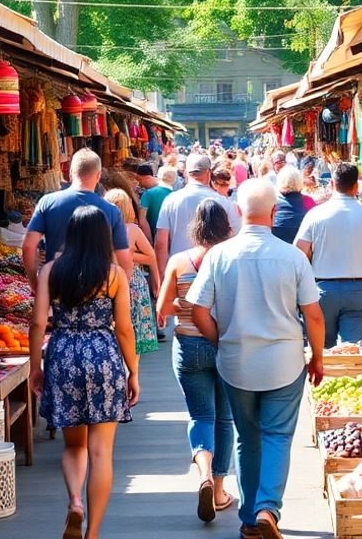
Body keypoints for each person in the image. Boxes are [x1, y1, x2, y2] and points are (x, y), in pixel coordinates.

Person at [188, 179, 326, 539]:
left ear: (237, 210)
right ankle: (268, 508)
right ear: (275, 212)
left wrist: (221, 338)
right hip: (284, 361)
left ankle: (249, 519)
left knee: (246, 438)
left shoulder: (219, 255)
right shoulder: (292, 256)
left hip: (236, 361)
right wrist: (318, 357)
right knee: (278, 436)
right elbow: (313, 314)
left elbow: (197, 310)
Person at [29, 206, 140, 539]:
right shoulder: (113, 274)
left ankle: (75, 501)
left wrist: (36, 366)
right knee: (101, 451)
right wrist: (133, 371)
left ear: (71, 234)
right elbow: (123, 329)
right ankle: (92, 534)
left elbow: (37, 323)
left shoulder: (50, 271)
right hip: (102, 356)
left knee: (73, 446)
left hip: (63, 354)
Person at [155, 199, 237, 523]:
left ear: (196, 227)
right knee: (225, 420)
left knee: (201, 415)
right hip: (226, 346)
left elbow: (163, 307)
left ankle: (203, 473)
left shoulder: (179, 261)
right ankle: (218, 490)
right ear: (226, 227)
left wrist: (184, 304)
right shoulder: (232, 260)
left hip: (188, 346)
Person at [295, 162, 362, 347]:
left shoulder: (315, 215)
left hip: (323, 290)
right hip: (359, 290)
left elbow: (298, 251)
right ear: (356, 186)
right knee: (352, 348)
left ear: (332, 184)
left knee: (321, 348)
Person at [23, 149, 132, 294]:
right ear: (98, 175)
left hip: (57, 287)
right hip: (97, 291)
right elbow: (124, 258)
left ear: (70, 172)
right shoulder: (111, 210)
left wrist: (35, 285)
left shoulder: (47, 202)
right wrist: (118, 293)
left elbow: (28, 247)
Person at [155, 154, 241, 279]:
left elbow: (160, 243)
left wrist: (163, 276)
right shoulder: (223, 202)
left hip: (180, 272)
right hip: (214, 272)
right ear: (208, 173)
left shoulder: (171, 200)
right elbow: (235, 237)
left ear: (186, 172)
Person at [105, 189, 160, 355]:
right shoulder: (131, 229)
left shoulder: (101, 229)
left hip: (110, 282)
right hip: (131, 282)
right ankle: (132, 375)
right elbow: (151, 257)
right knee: (132, 335)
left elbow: (151, 257)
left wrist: (128, 254)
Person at [271, 167, 313, 244]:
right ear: (300, 182)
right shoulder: (308, 201)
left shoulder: (272, 202)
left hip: (276, 245)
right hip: (301, 248)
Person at [140, 166, 177, 238]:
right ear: (174, 179)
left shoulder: (148, 193)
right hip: (170, 238)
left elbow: (142, 219)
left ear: (158, 176)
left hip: (150, 236)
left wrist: (149, 240)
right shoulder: (176, 196)